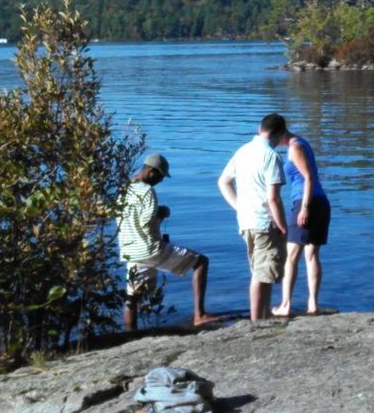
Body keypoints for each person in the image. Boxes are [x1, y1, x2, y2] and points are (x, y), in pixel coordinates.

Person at [118, 153, 221, 331]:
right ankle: (199, 315)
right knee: (201, 262)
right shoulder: (148, 191)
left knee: (131, 296)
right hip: (150, 248)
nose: (161, 181)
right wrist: (162, 214)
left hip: (130, 250)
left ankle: (129, 333)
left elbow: (128, 218)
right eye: (160, 176)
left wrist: (156, 211)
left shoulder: (125, 189)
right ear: (151, 171)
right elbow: (147, 222)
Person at [218, 113, 289, 320]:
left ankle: (263, 313)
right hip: (264, 222)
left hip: (246, 221)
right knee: (262, 273)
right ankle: (256, 319)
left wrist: (239, 206)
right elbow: (273, 199)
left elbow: (223, 182)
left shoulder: (243, 151)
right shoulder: (271, 157)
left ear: (260, 129)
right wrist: (282, 225)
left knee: (262, 271)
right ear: (279, 133)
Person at [273, 124, 331, 317]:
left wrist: (304, 208)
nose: (273, 143)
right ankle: (313, 304)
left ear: (280, 134)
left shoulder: (295, 147)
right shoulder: (303, 143)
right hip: (320, 201)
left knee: (291, 256)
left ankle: (286, 305)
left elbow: (308, 178)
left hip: (307, 203)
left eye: (273, 138)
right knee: (312, 255)